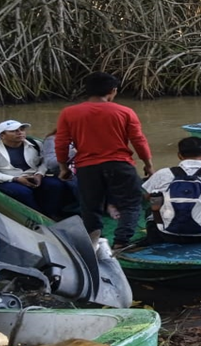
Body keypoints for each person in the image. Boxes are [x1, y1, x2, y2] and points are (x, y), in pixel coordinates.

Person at [56, 72, 154, 248]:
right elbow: (139, 141)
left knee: (90, 207)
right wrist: (148, 165)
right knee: (131, 204)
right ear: (113, 91)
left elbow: (61, 143)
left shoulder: (69, 113)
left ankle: (94, 243)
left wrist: (64, 167)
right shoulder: (125, 112)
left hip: (87, 167)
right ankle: (121, 241)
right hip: (120, 164)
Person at [0, 120, 69, 219]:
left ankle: (53, 213)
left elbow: (45, 161)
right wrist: (15, 179)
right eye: (13, 131)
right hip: (7, 180)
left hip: (33, 175)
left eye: (21, 129)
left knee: (55, 185)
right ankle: (38, 217)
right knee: (23, 192)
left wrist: (39, 174)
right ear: (2, 135)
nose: (19, 133)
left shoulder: (35, 144)